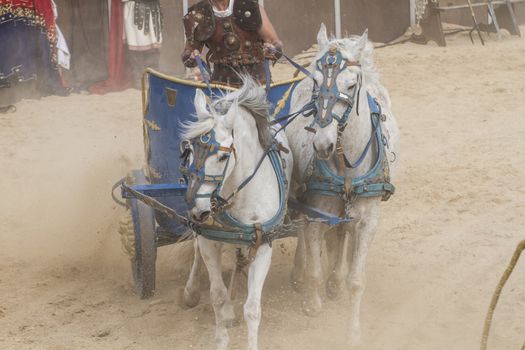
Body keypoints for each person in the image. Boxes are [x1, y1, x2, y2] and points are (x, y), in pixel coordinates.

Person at [181, 0, 282, 86]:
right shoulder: (198, 15)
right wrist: (191, 57)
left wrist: (273, 50)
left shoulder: (251, 7)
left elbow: (275, 43)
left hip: (258, 83)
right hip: (221, 86)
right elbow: (188, 54)